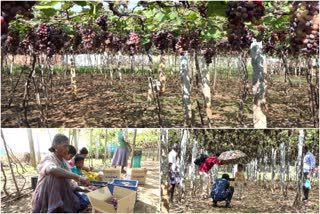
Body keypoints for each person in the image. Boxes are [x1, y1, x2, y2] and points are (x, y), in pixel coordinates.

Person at [32, 134, 91, 213]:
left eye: (68, 146)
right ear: (55, 146)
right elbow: (52, 169)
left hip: (61, 196)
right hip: (46, 197)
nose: (67, 149)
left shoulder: (64, 162)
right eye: (65, 146)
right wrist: (79, 177)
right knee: (55, 176)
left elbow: (70, 183)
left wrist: (83, 189)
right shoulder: (49, 157)